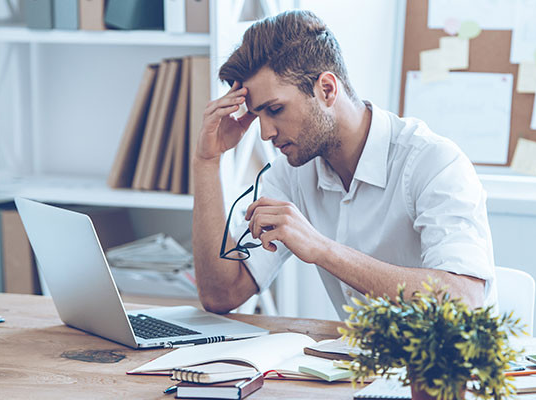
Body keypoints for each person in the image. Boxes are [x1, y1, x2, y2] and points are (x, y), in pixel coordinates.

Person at [191, 10, 495, 316]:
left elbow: (464, 300)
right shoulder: (291, 174)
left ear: (327, 89)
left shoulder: (434, 162)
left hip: (450, 349)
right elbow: (222, 295)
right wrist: (207, 161)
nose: (266, 133)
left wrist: (322, 249)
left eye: (275, 110)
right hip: (354, 348)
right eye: (257, 116)